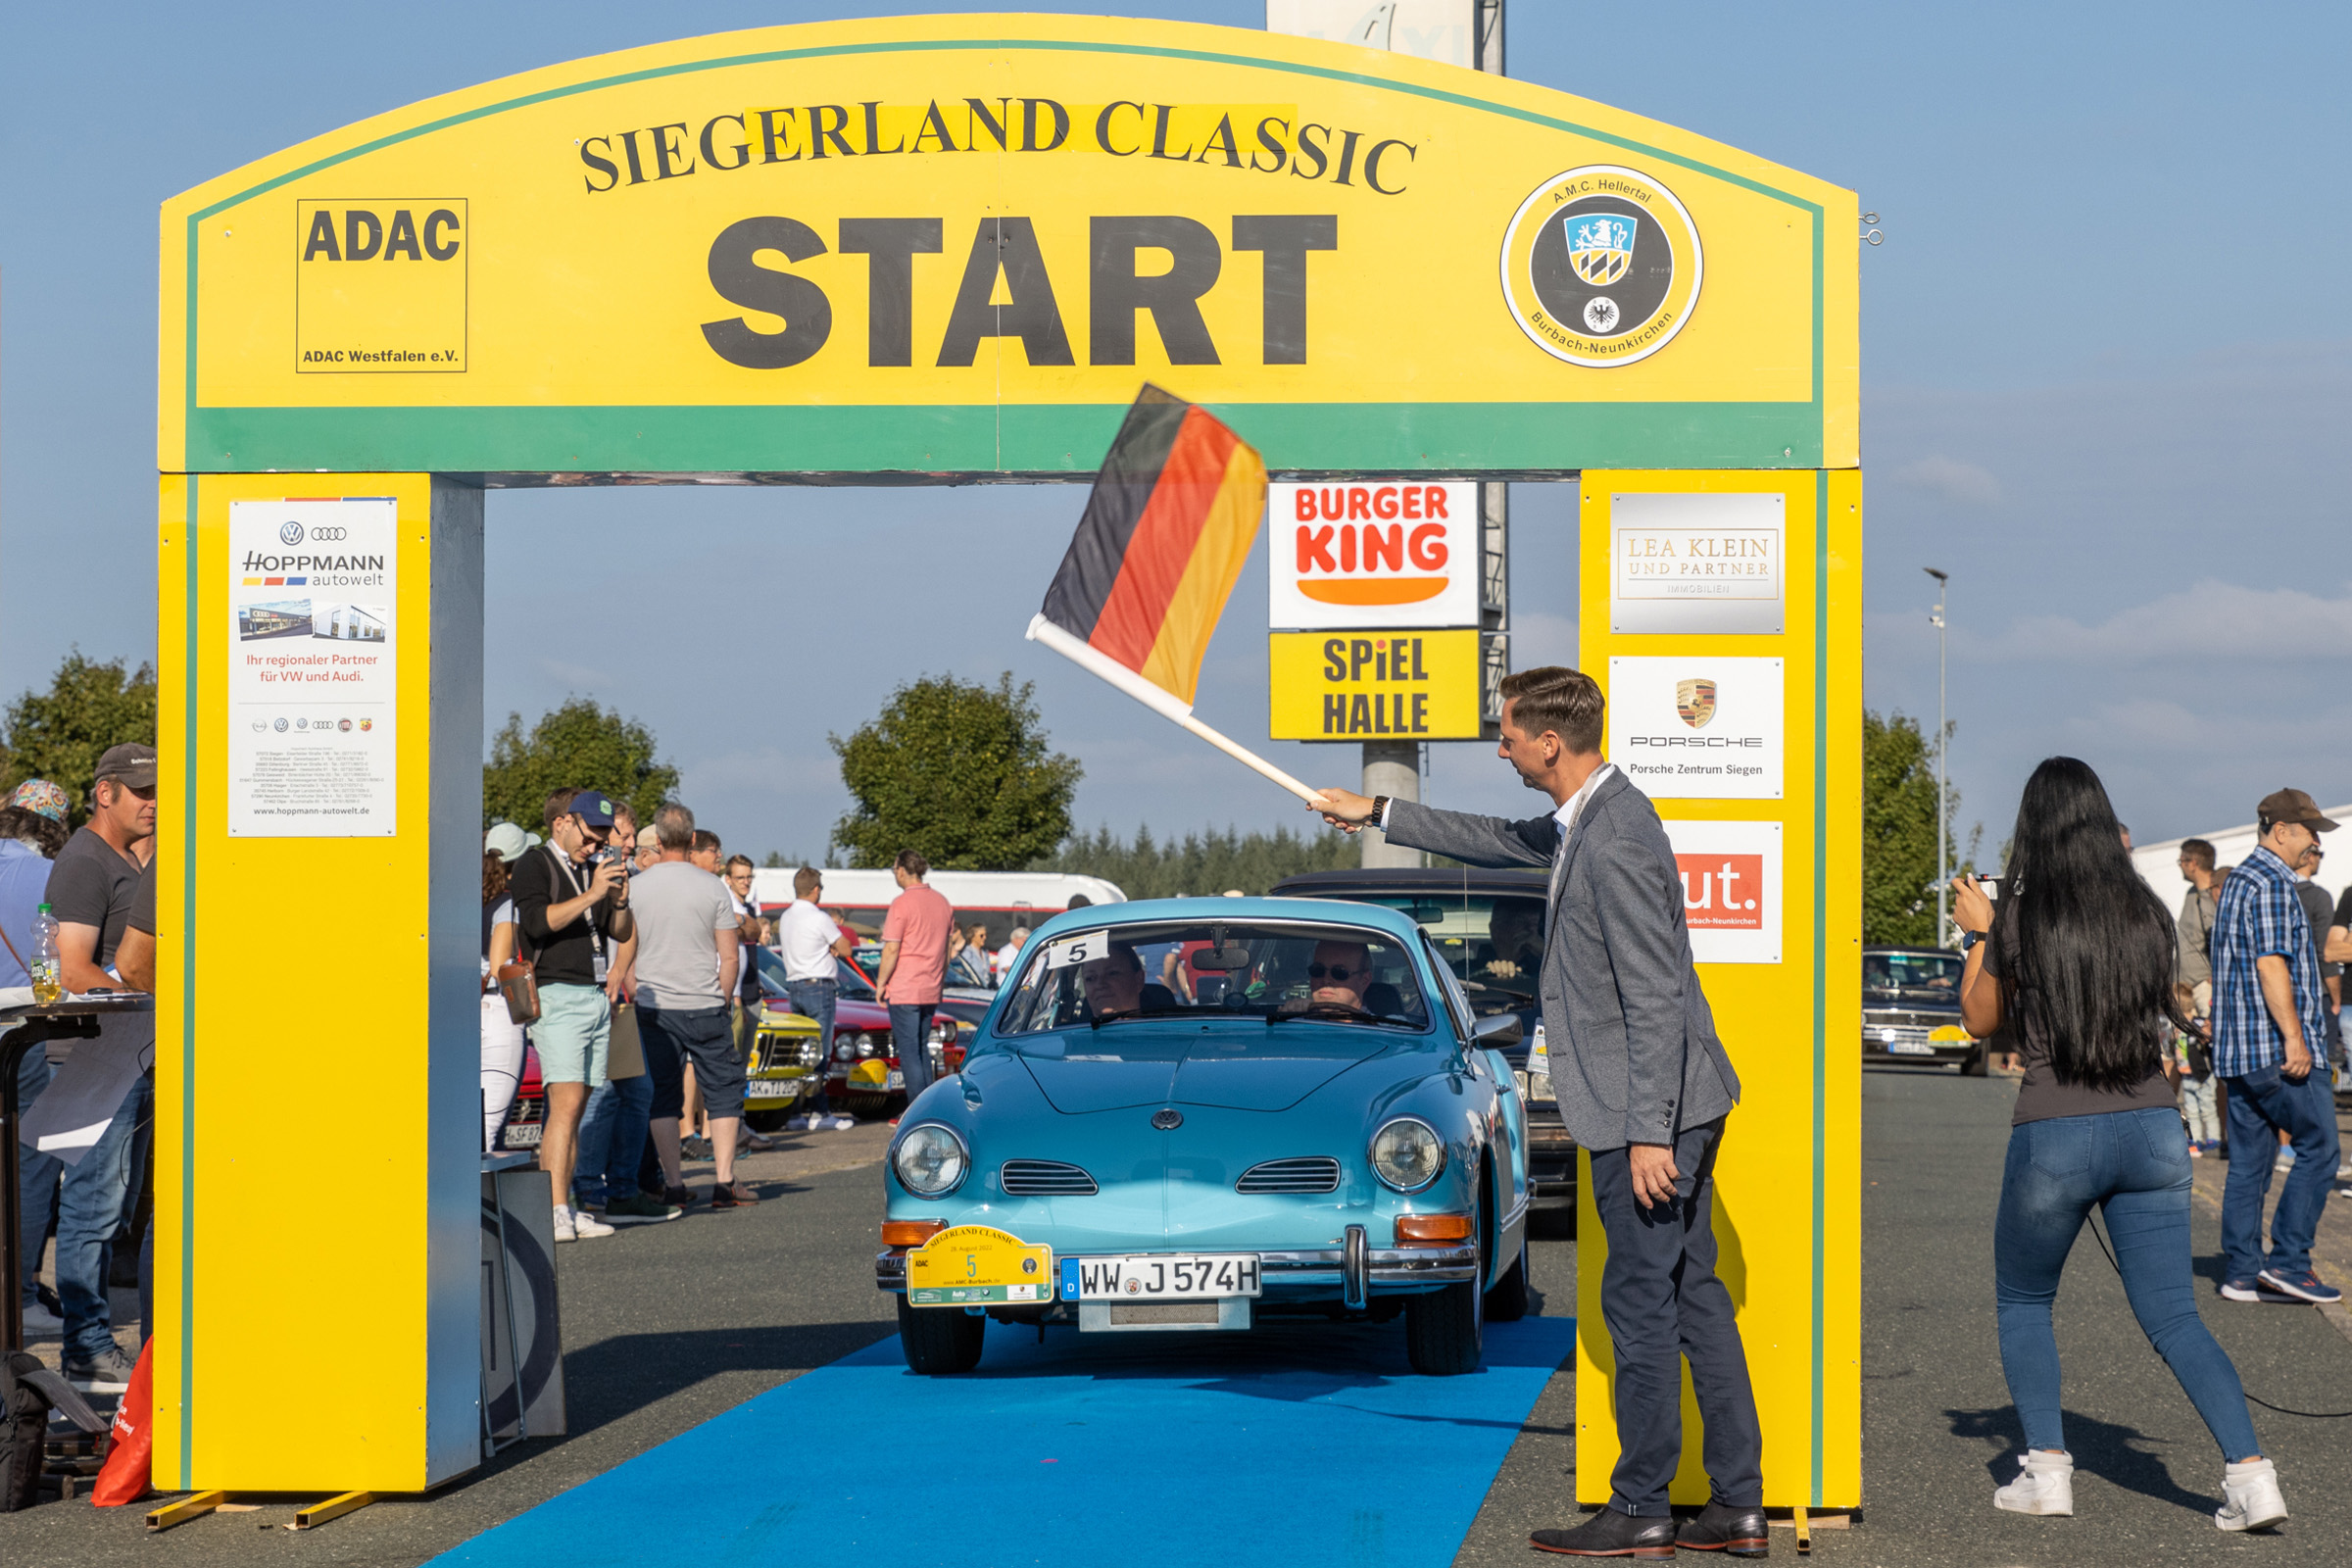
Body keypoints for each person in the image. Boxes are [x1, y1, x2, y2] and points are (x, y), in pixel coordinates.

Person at [1312, 665, 1763, 1559]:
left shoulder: (1617, 838)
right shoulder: (1584, 821)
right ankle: (1737, 1507)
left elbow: (1655, 1000)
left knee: (1640, 1305)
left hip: (1652, 1111)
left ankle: (1640, 1507)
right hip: (1665, 1103)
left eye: (1509, 732)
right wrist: (1378, 815)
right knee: (1693, 1296)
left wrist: (1645, 1133)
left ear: (1550, 743)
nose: (1501, 745)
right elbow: (1489, 838)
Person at [1950, 757, 2284, 1531]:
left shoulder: (2022, 916)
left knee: (2026, 1298)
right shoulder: (2144, 910)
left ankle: (2047, 1470)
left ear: (2033, 826)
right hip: (2151, 1129)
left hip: (2056, 1131)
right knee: (2174, 1317)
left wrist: (1981, 935)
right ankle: (2252, 1474)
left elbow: (1978, 1020)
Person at [42, 743, 160, 1392]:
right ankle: (85, 1348)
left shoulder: (124, 859)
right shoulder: (86, 862)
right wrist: (141, 991)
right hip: (96, 1053)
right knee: (92, 1209)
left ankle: (112, 1346)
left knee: (116, 1209)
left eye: (159, 792)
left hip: (126, 1048)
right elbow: (71, 969)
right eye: (141, 791)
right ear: (103, 793)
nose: (153, 803)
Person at [2207, 788, 2342, 1305]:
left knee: (2249, 1164)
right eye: (2309, 832)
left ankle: (2242, 1272)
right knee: (2321, 1150)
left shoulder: (2239, 880)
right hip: (2274, 1050)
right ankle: (2289, 1262)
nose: (2313, 843)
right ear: (2280, 829)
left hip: (2240, 1052)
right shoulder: (2269, 884)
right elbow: (2270, 964)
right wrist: (2294, 1037)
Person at [510, 789, 634, 1242]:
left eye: (605, 835)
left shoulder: (594, 869)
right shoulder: (535, 863)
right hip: (555, 994)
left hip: (593, 994)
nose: (597, 844)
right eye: (591, 833)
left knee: (577, 1107)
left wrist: (618, 899)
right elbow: (538, 922)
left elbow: (617, 931)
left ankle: (568, 1203)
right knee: (562, 1106)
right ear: (562, 822)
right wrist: (594, 893)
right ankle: (555, 1209)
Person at [630, 802, 757, 1206]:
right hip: (703, 1002)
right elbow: (730, 955)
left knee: (663, 1093)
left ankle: (674, 1184)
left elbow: (626, 953)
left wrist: (637, 991)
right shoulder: (712, 887)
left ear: (659, 838)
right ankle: (724, 1181)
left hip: (655, 1005)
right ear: (692, 838)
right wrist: (720, 997)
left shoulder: (637, 886)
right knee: (722, 1091)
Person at [1, 780, 73, 1338]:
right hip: (23, 1034)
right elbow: (51, 966)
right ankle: (19, 1295)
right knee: (31, 1164)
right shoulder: (51, 876)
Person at [776, 866, 857, 1131]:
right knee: (821, 1051)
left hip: (794, 985)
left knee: (800, 1052)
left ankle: (795, 1112)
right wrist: (832, 946)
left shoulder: (786, 917)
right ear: (816, 889)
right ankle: (820, 1111)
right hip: (819, 987)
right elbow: (846, 948)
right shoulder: (819, 917)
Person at [874, 850, 953, 1104]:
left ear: (901, 870)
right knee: (922, 1048)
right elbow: (947, 951)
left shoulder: (901, 903)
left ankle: (918, 1109)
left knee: (909, 1052)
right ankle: (931, 1105)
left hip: (905, 987)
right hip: (931, 986)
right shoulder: (942, 902)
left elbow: (892, 948)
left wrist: (881, 983)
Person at [1078, 943, 1148, 1017]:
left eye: (1112, 974)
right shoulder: (1068, 1028)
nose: (1100, 984)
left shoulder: (1160, 1025)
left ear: (1138, 980)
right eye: (1090, 978)